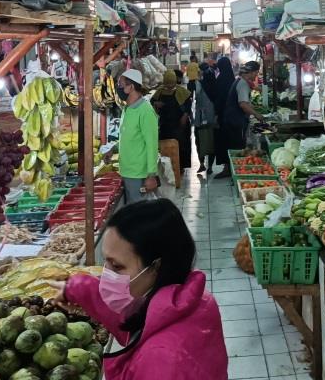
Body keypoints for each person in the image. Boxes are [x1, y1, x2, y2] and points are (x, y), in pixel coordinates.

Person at [62, 198, 227, 380]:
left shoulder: (161, 361)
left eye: (117, 267)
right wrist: (74, 288)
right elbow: (130, 320)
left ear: (156, 266)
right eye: (105, 261)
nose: (106, 275)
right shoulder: (193, 299)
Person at [115, 69, 160, 205]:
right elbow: (128, 138)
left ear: (131, 87)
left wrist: (151, 175)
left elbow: (152, 145)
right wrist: (114, 149)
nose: (119, 89)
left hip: (139, 173)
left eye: (121, 85)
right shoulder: (127, 109)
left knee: (140, 213)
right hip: (127, 171)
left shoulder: (145, 111)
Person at [214, 60, 263, 180]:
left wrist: (253, 108)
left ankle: (230, 170)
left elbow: (244, 103)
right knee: (237, 147)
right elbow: (243, 104)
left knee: (231, 145)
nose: (256, 76)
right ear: (251, 72)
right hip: (236, 120)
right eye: (256, 73)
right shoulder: (243, 84)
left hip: (230, 119)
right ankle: (236, 172)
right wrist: (257, 115)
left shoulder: (239, 81)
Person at [153, 70, 192, 177]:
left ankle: (181, 167)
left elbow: (188, 105)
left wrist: (185, 116)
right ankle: (168, 167)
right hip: (165, 124)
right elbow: (152, 103)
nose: (170, 87)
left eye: (171, 84)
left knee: (181, 146)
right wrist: (156, 104)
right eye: (167, 84)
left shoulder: (182, 91)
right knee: (166, 146)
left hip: (179, 125)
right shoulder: (159, 92)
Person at [193, 62, 218, 175]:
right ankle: (210, 167)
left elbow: (197, 93)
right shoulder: (214, 85)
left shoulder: (200, 83)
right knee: (211, 141)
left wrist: (197, 79)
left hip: (200, 117)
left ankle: (202, 164)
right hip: (211, 117)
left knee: (200, 140)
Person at [212, 56, 236, 175]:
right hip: (232, 114)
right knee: (231, 140)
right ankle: (230, 166)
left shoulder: (221, 79)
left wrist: (216, 114)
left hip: (223, 115)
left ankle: (226, 167)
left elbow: (219, 99)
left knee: (223, 140)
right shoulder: (232, 78)